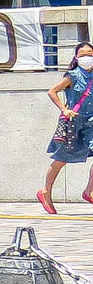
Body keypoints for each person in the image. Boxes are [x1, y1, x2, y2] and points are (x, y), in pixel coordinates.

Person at [41, 41, 93, 213]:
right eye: (83, 55)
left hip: (91, 122)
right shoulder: (73, 75)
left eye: (90, 55)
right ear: (76, 57)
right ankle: (45, 191)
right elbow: (52, 91)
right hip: (74, 123)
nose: (87, 58)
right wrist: (64, 109)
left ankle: (89, 191)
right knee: (61, 158)